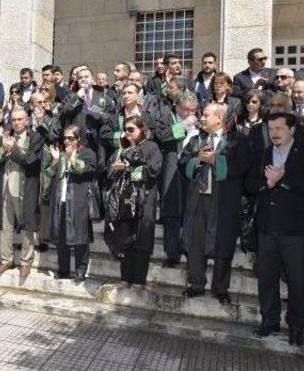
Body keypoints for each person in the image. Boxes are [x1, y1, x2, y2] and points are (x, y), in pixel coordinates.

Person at [245, 113, 304, 346]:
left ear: (292, 130)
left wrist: (284, 178)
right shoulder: (265, 153)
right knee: (266, 279)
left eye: (279, 128)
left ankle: (297, 327)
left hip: (296, 231)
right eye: (270, 129)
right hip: (267, 227)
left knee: (298, 282)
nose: (274, 133)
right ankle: (269, 321)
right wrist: (266, 183)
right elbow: (249, 182)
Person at [180, 103, 250, 303]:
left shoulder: (238, 141)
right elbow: (183, 163)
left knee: (223, 243)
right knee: (195, 241)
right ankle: (196, 283)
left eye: (206, 115)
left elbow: (243, 166)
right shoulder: (196, 140)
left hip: (223, 201)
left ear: (219, 118)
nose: (202, 118)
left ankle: (220, 287)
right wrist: (198, 161)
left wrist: (215, 161)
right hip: (198, 199)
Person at [106, 116, 162, 285]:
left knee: (142, 240)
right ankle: (125, 278)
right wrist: (117, 167)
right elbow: (109, 172)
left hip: (143, 200)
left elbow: (154, 170)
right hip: (124, 202)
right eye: (125, 130)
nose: (127, 133)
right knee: (124, 238)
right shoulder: (121, 149)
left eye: (131, 130)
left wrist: (130, 169)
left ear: (141, 130)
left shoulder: (152, 147)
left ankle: (138, 281)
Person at [0, 108, 43, 277]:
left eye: (20, 119)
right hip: (5, 184)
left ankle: (26, 262)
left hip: (24, 185)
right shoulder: (6, 137)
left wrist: (13, 149)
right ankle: (6, 260)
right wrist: (4, 149)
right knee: (5, 224)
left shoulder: (35, 138)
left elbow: (30, 160)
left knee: (27, 223)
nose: (17, 123)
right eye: (14, 120)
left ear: (27, 121)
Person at [45, 125, 96, 281]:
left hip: (79, 201)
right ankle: (64, 269)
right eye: (65, 138)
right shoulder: (60, 155)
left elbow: (86, 170)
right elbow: (47, 174)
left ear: (78, 139)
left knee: (80, 236)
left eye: (71, 138)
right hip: (61, 199)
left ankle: (81, 269)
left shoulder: (87, 153)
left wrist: (72, 158)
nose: (67, 141)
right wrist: (54, 161)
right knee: (61, 238)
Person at [154, 92, 196, 268]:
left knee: (191, 212)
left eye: (193, 110)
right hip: (171, 170)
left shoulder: (198, 120)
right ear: (177, 107)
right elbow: (162, 136)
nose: (190, 113)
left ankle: (189, 249)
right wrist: (182, 125)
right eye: (187, 109)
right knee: (171, 213)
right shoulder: (165, 118)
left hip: (191, 171)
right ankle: (172, 255)